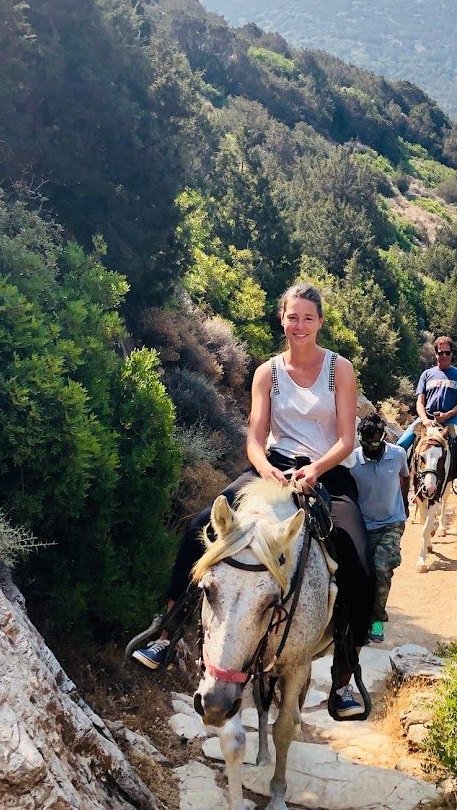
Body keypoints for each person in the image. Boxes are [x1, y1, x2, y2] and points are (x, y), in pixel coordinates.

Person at [133, 283, 376, 718]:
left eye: (307, 317)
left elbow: (345, 438)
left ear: (320, 321)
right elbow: (255, 437)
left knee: (359, 562)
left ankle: (344, 678)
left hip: (328, 472)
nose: (299, 325)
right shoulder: (268, 372)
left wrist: (316, 470)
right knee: (197, 529)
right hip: (274, 468)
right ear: (282, 319)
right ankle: (166, 634)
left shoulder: (341, 369)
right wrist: (265, 469)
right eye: (292, 316)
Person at [349, 413, 410, 644]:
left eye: (375, 442)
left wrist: (404, 504)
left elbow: (404, 478)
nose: (370, 447)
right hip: (362, 525)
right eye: (365, 442)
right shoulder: (352, 461)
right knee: (360, 573)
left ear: (383, 437)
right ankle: (356, 620)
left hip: (391, 523)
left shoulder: (398, 454)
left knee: (382, 568)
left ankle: (376, 620)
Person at [396, 335, 457, 503]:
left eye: (447, 352)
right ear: (435, 353)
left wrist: (447, 415)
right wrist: (424, 419)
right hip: (427, 418)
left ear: (452, 353)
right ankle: (400, 485)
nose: (443, 356)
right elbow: (420, 401)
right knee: (400, 445)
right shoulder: (427, 374)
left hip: (450, 419)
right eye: (440, 353)